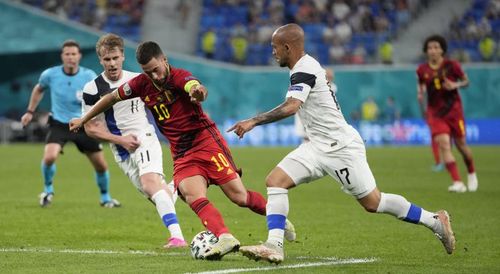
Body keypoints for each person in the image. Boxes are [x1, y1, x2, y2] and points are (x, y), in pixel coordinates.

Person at [228, 24, 456, 264]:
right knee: (275, 181)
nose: (273, 52)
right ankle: (274, 245)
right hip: (316, 146)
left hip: (340, 149)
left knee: (373, 203)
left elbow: (292, 106)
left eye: (275, 47)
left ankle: (434, 220)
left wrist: (254, 120)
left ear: (287, 47)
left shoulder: (304, 69)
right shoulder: (304, 67)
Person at [69, 41, 295, 260]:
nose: (155, 76)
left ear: (164, 60)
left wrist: (198, 92)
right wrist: (84, 118)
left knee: (239, 196)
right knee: (190, 194)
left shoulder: (179, 77)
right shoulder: (140, 83)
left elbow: (195, 87)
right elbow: (110, 97)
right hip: (182, 152)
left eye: (156, 69)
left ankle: (277, 218)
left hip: (205, 142)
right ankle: (224, 236)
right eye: (148, 72)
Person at [81, 34, 186, 248]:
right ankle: (179, 185)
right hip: (121, 151)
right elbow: (91, 128)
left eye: (115, 58)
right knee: (157, 195)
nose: (111, 63)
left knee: (150, 185)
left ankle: (177, 238)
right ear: (100, 60)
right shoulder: (92, 89)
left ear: (122, 57)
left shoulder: (139, 80)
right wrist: (119, 140)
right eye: (107, 59)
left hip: (144, 138)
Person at [20, 40, 120, 208]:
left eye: (74, 54)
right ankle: (47, 190)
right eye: (67, 54)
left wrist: (100, 121)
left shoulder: (89, 76)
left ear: (79, 56)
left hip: (83, 125)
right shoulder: (50, 75)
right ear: (62, 56)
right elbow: (39, 88)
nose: (71, 57)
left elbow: (103, 98)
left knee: (101, 166)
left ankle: (105, 198)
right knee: (50, 156)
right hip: (59, 124)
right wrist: (30, 112)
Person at [417, 35, 478, 192]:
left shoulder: (452, 66)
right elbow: (421, 86)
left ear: (442, 49)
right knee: (444, 144)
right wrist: (420, 95)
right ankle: (458, 182)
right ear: (426, 51)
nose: (433, 50)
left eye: (436, 47)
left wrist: (455, 84)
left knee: (461, 146)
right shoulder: (422, 70)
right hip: (435, 112)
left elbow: (466, 81)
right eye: (430, 48)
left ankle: (471, 172)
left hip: (454, 111)